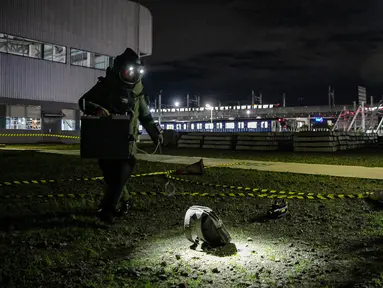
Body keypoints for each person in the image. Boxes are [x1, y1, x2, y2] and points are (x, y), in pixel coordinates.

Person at [78, 48, 163, 223]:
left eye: (137, 72)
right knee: (112, 178)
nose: (132, 76)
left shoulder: (138, 93)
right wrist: (97, 109)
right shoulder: (105, 87)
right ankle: (125, 200)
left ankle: (107, 211)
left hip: (127, 145)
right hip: (106, 142)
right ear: (119, 70)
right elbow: (84, 101)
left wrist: (155, 133)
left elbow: (146, 116)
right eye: (129, 71)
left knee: (121, 174)